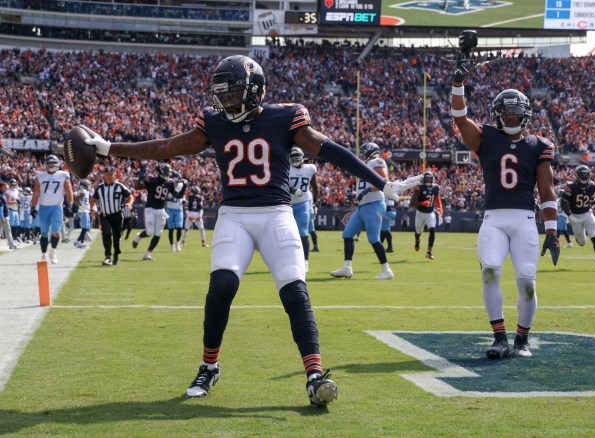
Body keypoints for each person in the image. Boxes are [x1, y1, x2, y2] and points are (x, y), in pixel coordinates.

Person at [83, 55, 416, 406]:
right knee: (222, 284)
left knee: (294, 290)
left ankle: (315, 375)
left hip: (276, 213)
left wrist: (381, 181)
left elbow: (331, 150)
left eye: (232, 94)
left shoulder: (287, 117)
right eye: (221, 95)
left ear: (254, 92)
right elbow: (166, 147)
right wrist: (110, 149)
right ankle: (209, 366)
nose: (225, 102)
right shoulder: (212, 122)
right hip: (235, 215)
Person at [451, 59, 559, 359]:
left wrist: (552, 231)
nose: (511, 119)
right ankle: (499, 337)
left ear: (525, 116)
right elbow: (460, 117)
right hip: (494, 219)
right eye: (506, 114)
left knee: (526, 280)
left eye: (516, 115)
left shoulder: (539, 145)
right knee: (489, 271)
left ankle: (522, 339)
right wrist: (457, 84)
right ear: (498, 115)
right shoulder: (486, 138)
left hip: (525, 219)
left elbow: (547, 190)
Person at [330, 142, 399, 280]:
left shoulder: (377, 161)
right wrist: (356, 194)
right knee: (348, 234)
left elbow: (383, 181)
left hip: (374, 204)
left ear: (370, 151)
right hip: (363, 206)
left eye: (363, 151)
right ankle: (347, 267)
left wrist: (367, 190)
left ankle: (387, 270)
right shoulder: (365, 166)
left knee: (373, 238)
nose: (361, 154)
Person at [560, 165, 595, 271]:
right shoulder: (571, 186)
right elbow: (563, 203)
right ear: (577, 175)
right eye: (582, 175)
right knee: (582, 242)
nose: (584, 177)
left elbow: (592, 199)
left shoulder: (592, 186)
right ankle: (580, 236)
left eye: (586, 174)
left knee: (594, 236)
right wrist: (570, 216)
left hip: (587, 213)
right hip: (575, 216)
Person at [132, 163, 180, 261]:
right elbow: (137, 187)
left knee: (158, 233)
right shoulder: (152, 180)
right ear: (161, 172)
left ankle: (147, 254)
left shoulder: (170, 183)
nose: (168, 174)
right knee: (150, 232)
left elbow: (176, 195)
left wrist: (178, 186)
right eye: (167, 172)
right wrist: (140, 179)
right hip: (150, 208)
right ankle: (138, 236)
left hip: (161, 210)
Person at [31, 155, 74, 264]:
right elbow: (36, 193)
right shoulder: (40, 176)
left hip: (56, 207)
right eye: (49, 163)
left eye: (53, 163)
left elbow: (69, 192)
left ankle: (53, 251)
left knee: (56, 231)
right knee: (44, 232)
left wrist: (69, 205)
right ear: (46, 164)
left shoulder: (63, 175)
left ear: (58, 164)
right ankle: (44, 253)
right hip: (43, 207)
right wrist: (33, 207)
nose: (51, 165)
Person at [91, 166, 134, 266]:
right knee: (106, 234)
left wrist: (130, 203)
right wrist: (92, 208)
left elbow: (130, 195)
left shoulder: (120, 186)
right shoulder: (100, 187)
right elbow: (93, 199)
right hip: (105, 215)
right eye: (107, 174)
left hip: (117, 215)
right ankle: (108, 256)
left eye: (111, 174)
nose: (109, 176)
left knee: (116, 236)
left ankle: (116, 255)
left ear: (114, 175)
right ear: (103, 176)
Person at [289, 146, 318, 272]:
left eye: (297, 156)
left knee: (303, 233)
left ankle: (305, 261)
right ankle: (290, 260)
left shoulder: (310, 169)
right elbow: (280, 185)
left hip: (303, 203)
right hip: (287, 204)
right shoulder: (286, 168)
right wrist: (293, 190)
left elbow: (315, 186)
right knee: (288, 234)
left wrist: (315, 203)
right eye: (293, 156)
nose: (295, 159)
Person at [410, 171, 443, 259]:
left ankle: (429, 252)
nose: (428, 180)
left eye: (429, 179)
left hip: (430, 213)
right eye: (426, 179)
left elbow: (437, 199)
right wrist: (421, 203)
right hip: (420, 214)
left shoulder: (435, 188)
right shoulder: (419, 188)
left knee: (432, 230)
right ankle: (417, 240)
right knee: (418, 232)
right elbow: (411, 203)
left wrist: (440, 207)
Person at [166, 170, 187, 252]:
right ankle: (172, 245)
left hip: (178, 209)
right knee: (170, 229)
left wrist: (184, 199)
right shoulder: (168, 185)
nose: (177, 182)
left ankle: (178, 243)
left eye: (178, 179)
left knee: (179, 227)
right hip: (169, 209)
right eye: (175, 180)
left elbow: (182, 195)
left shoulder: (181, 185)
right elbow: (177, 196)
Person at [74, 179, 92, 249]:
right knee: (84, 228)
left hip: (84, 210)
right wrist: (79, 203)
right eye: (87, 184)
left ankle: (78, 241)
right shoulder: (83, 191)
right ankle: (81, 242)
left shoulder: (84, 190)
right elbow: (78, 196)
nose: (88, 185)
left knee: (85, 228)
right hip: (83, 210)